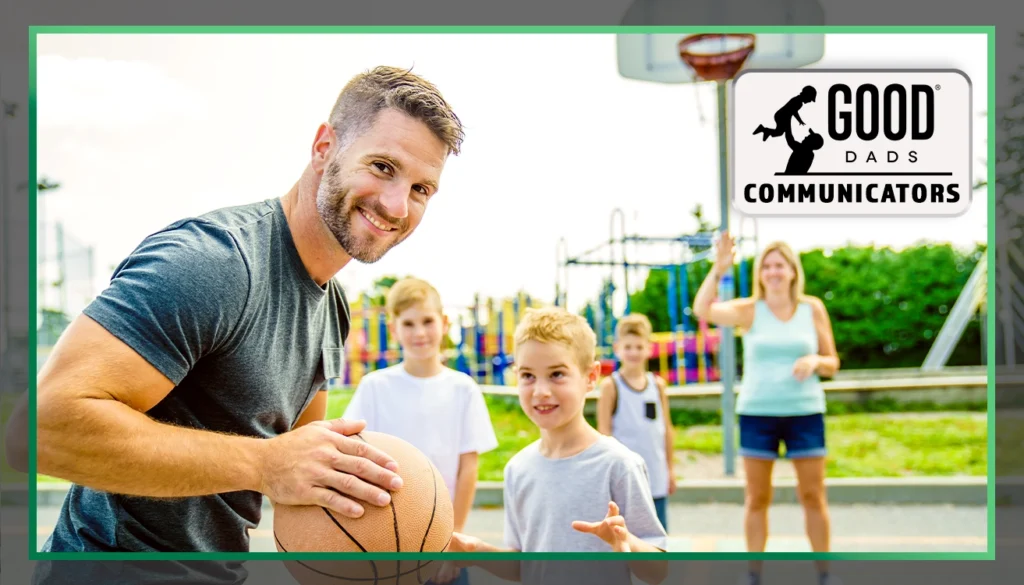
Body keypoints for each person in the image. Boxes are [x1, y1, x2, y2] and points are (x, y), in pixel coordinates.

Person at [20, 66, 465, 562]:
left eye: (422, 189)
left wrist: (406, 535)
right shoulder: (215, 262)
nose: (396, 204)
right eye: (383, 166)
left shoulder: (332, 306)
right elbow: (40, 430)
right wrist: (264, 464)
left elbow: (301, 472)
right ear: (324, 148)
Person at [441, 307, 668, 585]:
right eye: (527, 376)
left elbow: (657, 571)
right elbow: (523, 565)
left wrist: (626, 542)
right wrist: (477, 551)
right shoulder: (518, 469)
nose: (541, 391)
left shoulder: (619, 464)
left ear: (591, 377)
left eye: (557, 374)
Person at [692, 233, 841, 585]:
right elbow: (702, 310)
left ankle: (824, 574)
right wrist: (719, 268)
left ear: (792, 271)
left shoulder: (812, 308)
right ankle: (754, 574)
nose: (774, 271)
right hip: (758, 413)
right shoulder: (749, 310)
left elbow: (833, 362)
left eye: (780, 265)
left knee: (812, 496)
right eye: (767, 266)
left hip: (805, 413)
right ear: (761, 274)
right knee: (757, 497)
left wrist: (815, 360)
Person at [343, 277, 498, 585]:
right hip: (388, 539)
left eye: (427, 321)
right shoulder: (375, 386)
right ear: (395, 328)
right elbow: (355, 453)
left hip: (445, 536)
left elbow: (468, 468)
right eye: (409, 323)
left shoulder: (462, 389)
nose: (419, 332)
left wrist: (454, 540)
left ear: (443, 323)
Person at [597, 313, 676, 532]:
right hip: (625, 481)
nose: (633, 352)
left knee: (657, 538)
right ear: (617, 348)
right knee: (624, 537)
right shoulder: (611, 386)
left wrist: (670, 468)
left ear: (649, 348)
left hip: (656, 478)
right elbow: (604, 433)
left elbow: (666, 429)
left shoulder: (658, 386)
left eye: (639, 347)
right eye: (628, 347)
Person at [752, 85, 817, 141]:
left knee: (779, 132)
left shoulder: (798, 100)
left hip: (782, 116)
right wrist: (799, 121)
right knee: (780, 132)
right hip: (782, 117)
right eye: (810, 99)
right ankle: (763, 129)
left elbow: (793, 112)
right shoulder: (798, 102)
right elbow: (794, 112)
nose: (809, 101)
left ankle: (766, 131)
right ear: (806, 95)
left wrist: (800, 121)